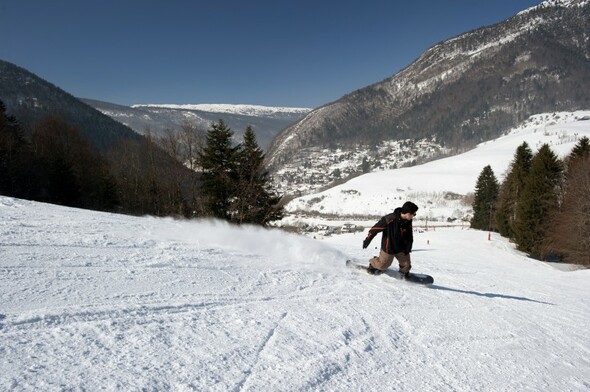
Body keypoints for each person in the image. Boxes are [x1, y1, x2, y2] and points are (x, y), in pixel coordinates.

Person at [362, 201, 418, 276]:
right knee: (382, 266)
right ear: (408, 213)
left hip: (401, 248)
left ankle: (403, 274)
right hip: (389, 248)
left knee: (406, 265)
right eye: (414, 214)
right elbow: (374, 229)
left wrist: (408, 247)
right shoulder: (389, 219)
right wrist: (367, 240)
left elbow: (409, 234)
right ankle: (373, 263)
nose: (414, 216)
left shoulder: (408, 220)